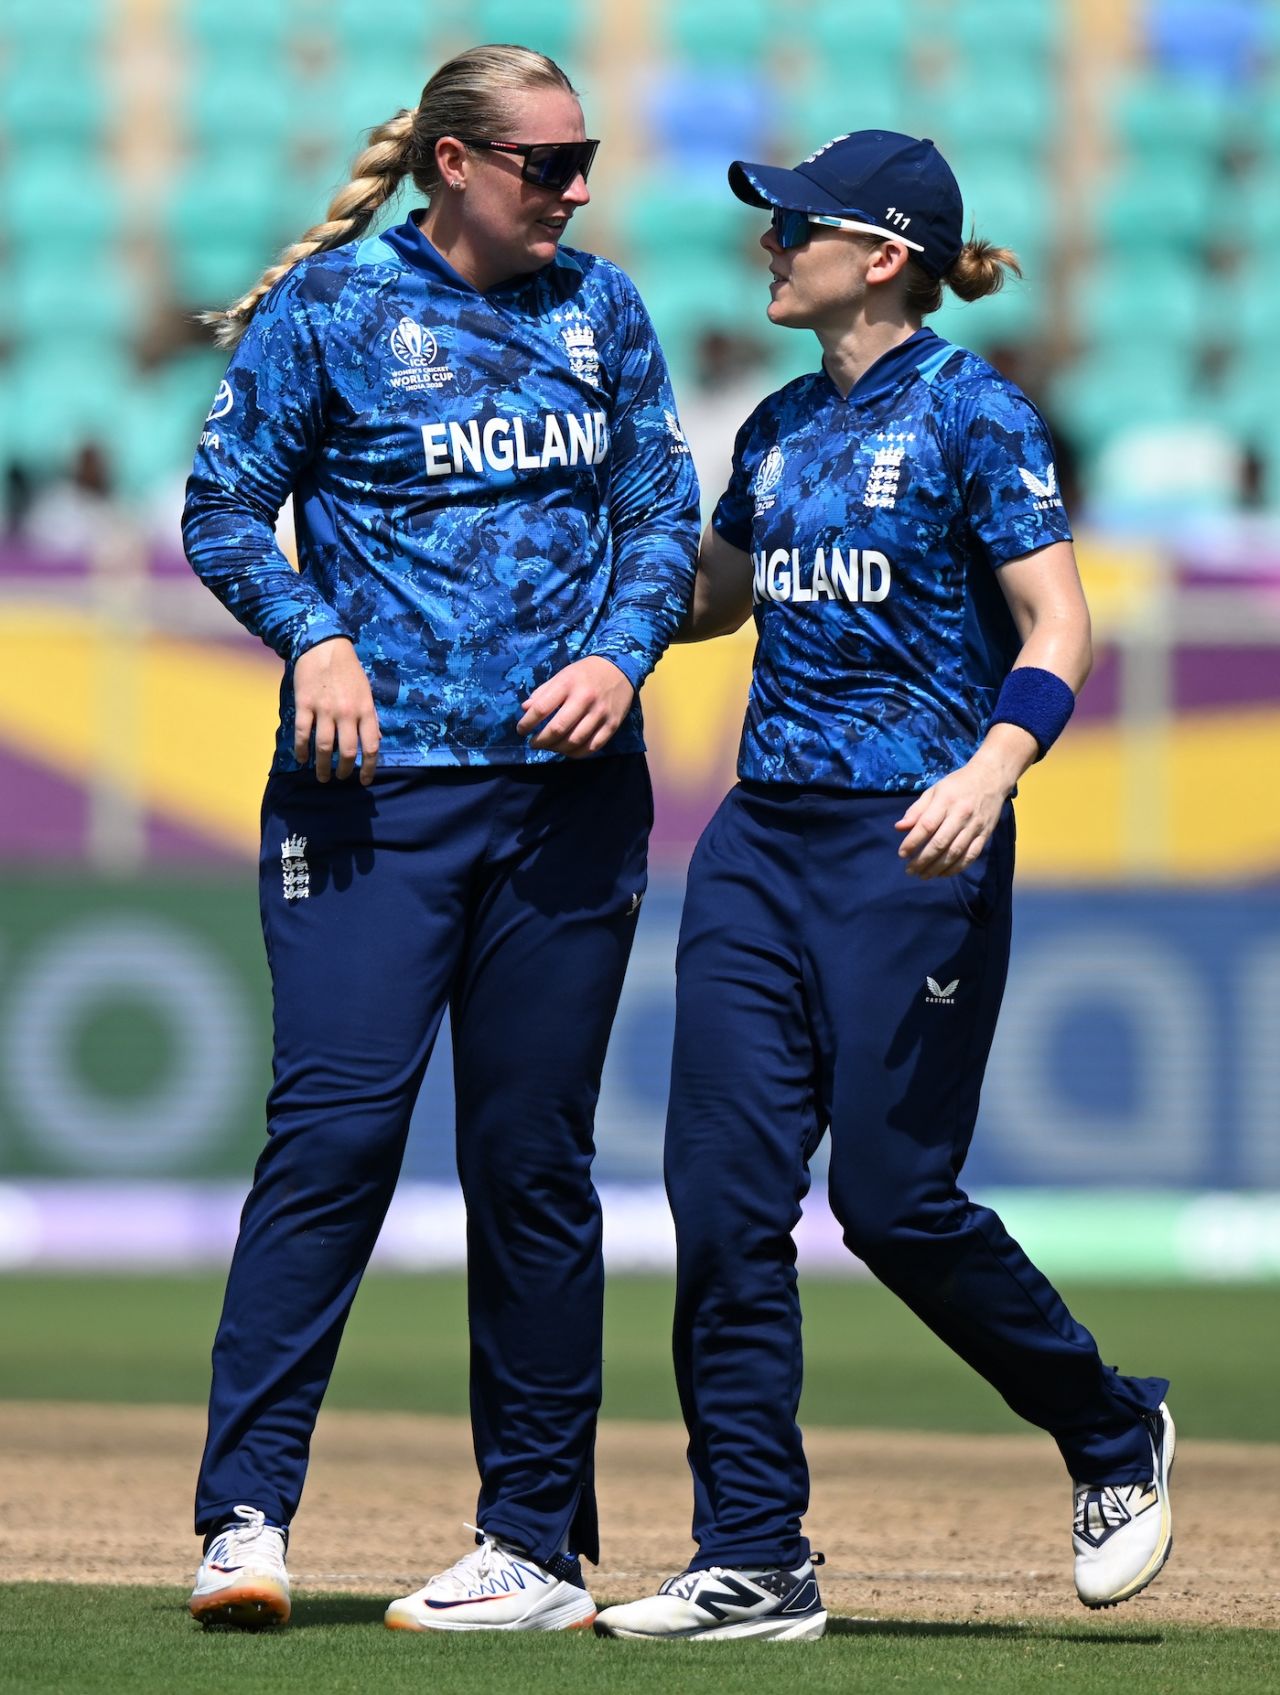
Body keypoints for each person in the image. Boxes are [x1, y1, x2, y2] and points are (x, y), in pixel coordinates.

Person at [593, 131, 1173, 1644]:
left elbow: (1059, 628)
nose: (768, 246)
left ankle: (1110, 1429)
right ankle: (753, 1557)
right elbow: (721, 595)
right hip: (756, 845)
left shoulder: (978, 415)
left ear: (884, 254)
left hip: (911, 843)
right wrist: (596, 608)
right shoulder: (778, 424)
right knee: (719, 1204)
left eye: (794, 226)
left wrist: (989, 773)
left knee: (895, 1204)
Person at [181, 43, 698, 1633]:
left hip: (565, 806)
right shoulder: (332, 311)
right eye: (549, 161)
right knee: (331, 1143)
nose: (578, 187)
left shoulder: (602, 309)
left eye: (586, 155)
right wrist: (312, 635)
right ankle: (245, 1520)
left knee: (531, 1165)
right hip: (370, 804)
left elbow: (666, 511)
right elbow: (216, 506)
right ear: (455, 167)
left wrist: (620, 654)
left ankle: (533, 1545)